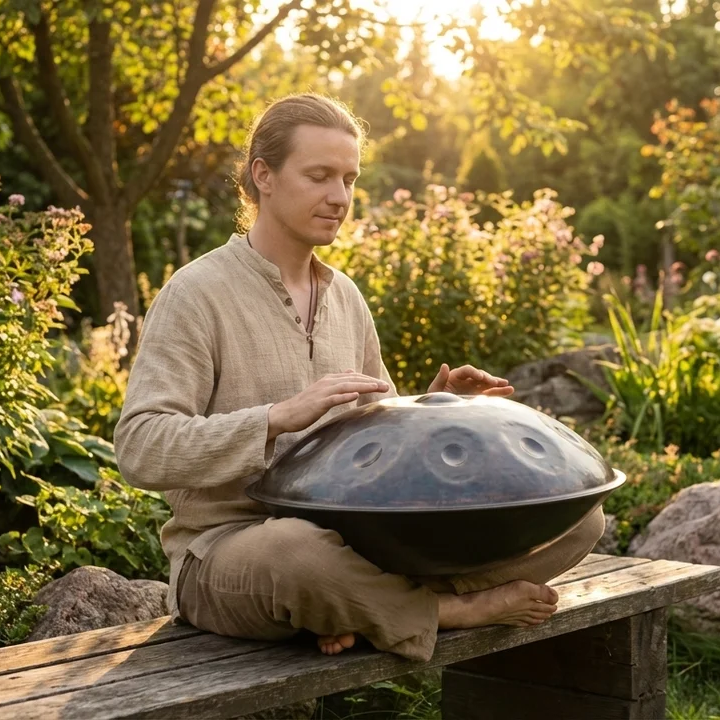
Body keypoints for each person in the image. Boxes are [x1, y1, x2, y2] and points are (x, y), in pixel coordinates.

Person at [114, 92, 604, 662]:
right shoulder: (196, 294)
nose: (339, 197)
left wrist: (440, 411)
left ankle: (359, 608)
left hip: (360, 548)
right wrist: (275, 421)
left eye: (349, 179)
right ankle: (444, 611)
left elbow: (375, 445)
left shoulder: (345, 296)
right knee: (298, 551)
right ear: (263, 176)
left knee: (578, 518)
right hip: (236, 549)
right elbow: (140, 446)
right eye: (320, 176)